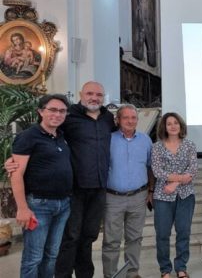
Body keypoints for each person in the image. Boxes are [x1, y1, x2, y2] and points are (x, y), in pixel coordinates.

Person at [4, 81, 116, 278]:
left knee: (88, 236)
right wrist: (12, 162)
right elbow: (39, 138)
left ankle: (84, 275)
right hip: (73, 190)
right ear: (81, 94)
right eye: (89, 93)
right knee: (69, 238)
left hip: (98, 187)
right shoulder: (69, 116)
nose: (94, 98)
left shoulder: (107, 118)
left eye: (99, 95)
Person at [10, 94, 72, 278]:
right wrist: (22, 208)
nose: (57, 114)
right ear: (40, 111)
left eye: (62, 111)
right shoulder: (28, 136)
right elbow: (16, 174)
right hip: (39, 205)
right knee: (33, 257)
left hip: (63, 205)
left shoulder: (61, 135)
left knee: (52, 255)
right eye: (52, 109)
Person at [102, 105, 153, 278]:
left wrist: (150, 191)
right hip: (113, 198)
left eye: (133, 118)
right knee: (111, 241)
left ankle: (132, 273)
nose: (130, 121)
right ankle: (111, 275)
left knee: (135, 238)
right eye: (126, 118)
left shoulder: (145, 140)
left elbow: (149, 168)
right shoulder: (108, 140)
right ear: (118, 120)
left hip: (138, 197)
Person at [151, 112, 198, 278]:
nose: (172, 126)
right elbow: (157, 171)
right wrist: (180, 178)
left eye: (175, 123)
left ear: (180, 125)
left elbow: (192, 170)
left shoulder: (190, 145)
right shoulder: (157, 147)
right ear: (164, 126)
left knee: (183, 233)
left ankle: (181, 268)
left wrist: (175, 183)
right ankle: (165, 270)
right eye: (169, 123)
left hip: (186, 196)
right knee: (162, 234)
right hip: (163, 197)